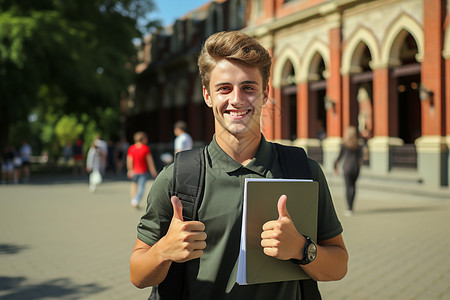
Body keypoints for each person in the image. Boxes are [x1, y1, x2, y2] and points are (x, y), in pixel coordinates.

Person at [130, 31, 348, 299]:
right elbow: (138, 275)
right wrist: (164, 251)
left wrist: (302, 249)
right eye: (224, 88)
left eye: (248, 87)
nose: (236, 99)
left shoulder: (303, 170)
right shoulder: (177, 178)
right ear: (208, 96)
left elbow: (338, 266)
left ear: (265, 93)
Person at [334, 126, 362, 216]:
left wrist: (335, 167)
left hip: (347, 167)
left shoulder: (344, 144)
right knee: (353, 187)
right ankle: (352, 207)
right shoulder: (358, 145)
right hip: (356, 167)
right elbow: (361, 158)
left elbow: (339, 157)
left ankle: (349, 208)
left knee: (347, 187)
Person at [127, 132, 158, 208]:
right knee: (141, 187)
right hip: (142, 171)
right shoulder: (145, 148)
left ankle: (133, 199)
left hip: (134, 171)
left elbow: (129, 160)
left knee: (134, 185)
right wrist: (153, 171)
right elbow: (150, 161)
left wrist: (129, 170)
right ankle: (136, 200)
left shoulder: (132, 148)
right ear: (143, 139)